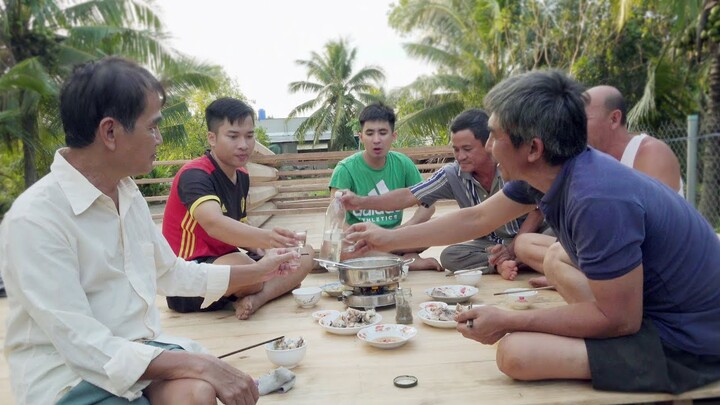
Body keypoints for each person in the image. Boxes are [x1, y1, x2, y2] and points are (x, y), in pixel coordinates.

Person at [346, 70, 720, 394]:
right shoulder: (551, 170)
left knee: (517, 354)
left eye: (494, 136)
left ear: (533, 148)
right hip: (649, 311)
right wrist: (384, 237)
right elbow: (476, 220)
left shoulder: (597, 198)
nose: (489, 147)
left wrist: (510, 319)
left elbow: (621, 320)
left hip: (690, 341)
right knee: (552, 259)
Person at [0, 56, 301, 404]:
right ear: (110, 132)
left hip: (139, 354)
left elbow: (170, 272)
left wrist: (258, 270)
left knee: (197, 393)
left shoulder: (126, 193)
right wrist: (201, 364)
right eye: (152, 126)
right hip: (70, 378)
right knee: (201, 382)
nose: (158, 138)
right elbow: (84, 346)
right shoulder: (36, 219)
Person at [502, 85, 685, 286]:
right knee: (524, 243)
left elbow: (654, 232)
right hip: (604, 249)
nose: (572, 128)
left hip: (644, 258)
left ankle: (575, 279)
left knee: (556, 255)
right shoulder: (584, 159)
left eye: (581, 120)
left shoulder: (650, 153)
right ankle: (573, 277)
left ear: (614, 119)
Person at [339, 108, 546, 277]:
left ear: (488, 144)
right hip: (491, 244)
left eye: (467, 149)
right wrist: (360, 201)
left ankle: (516, 259)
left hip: (532, 235)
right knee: (450, 256)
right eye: (456, 150)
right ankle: (511, 263)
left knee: (540, 242)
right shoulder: (452, 173)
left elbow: (538, 210)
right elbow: (409, 196)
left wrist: (514, 248)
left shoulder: (512, 167)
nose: (460, 156)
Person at [162, 97, 314, 320]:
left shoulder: (241, 175)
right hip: (190, 278)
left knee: (305, 253)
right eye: (233, 136)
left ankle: (255, 299)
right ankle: (259, 287)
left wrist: (263, 249)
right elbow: (214, 224)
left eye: (249, 136)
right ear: (212, 138)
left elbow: (239, 226)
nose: (244, 144)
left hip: (227, 262)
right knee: (250, 269)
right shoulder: (195, 175)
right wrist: (268, 239)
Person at [328, 103, 441, 271]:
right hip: (362, 242)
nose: (376, 140)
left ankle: (389, 258)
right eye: (369, 133)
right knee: (339, 250)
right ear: (360, 137)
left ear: (393, 136)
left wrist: (401, 230)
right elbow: (335, 218)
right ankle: (406, 262)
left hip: (397, 237)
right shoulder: (345, 169)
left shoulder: (403, 164)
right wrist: (358, 237)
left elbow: (428, 206)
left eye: (382, 133)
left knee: (439, 227)